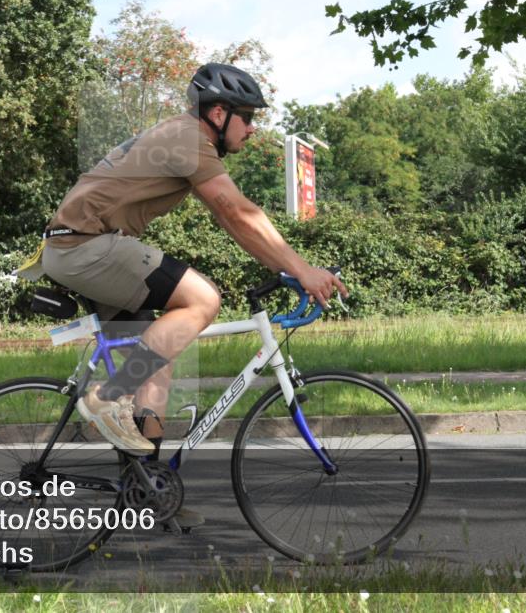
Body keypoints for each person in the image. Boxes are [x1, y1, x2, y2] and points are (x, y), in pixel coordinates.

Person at [39, 63, 348, 524]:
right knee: (203, 299)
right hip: (84, 244)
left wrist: (288, 267)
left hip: (81, 244)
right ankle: (106, 396)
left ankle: (145, 493)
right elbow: (239, 212)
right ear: (219, 113)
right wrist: (302, 270)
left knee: (156, 368)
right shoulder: (189, 138)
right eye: (249, 117)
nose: (254, 128)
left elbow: (237, 217)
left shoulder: (187, 138)